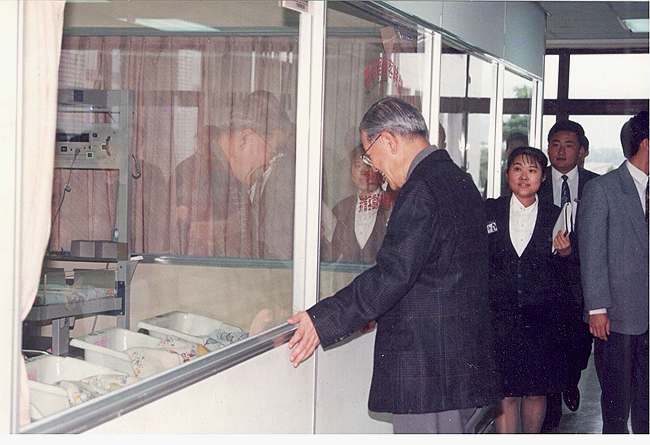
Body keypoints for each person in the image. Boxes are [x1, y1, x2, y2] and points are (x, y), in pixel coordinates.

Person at [287, 97, 501, 434]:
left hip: (430, 374)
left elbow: (392, 274)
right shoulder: (459, 180)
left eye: (370, 155)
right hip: (458, 365)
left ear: (388, 140)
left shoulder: (421, 190)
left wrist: (321, 319)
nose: (373, 167)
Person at [486, 146, 574, 433]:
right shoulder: (490, 211)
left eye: (532, 170)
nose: (524, 177)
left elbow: (569, 272)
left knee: (536, 391)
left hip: (542, 320)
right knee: (506, 393)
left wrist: (566, 253)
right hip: (499, 321)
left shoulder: (555, 215)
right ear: (507, 174)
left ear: (543, 177)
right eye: (517, 169)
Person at [578, 110, 649, 434]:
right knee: (617, 409)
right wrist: (597, 308)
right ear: (646, 143)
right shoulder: (602, 189)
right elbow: (592, 252)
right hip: (617, 319)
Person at [538, 119, 599, 431]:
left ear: (582, 151)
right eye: (555, 145)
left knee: (578, 347)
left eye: (569, 145)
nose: (561, 151)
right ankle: (553, 400)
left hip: (581, 281)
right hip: (544, 280)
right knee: (548, 347)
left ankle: (570, 380)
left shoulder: (596, 186)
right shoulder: (535, 180)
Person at [215, 90, 295, 260]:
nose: (230, 167)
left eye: (229, 156)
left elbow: (279, 257)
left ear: (245, 138)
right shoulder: (264, 177)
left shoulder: (282, 182)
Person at [327, 144, 389, 263]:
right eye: (358, 165)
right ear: (351, 171)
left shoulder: (392, 208)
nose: (363, 172)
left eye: (369, 165)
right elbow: (330, 257)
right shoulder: (341, 209)